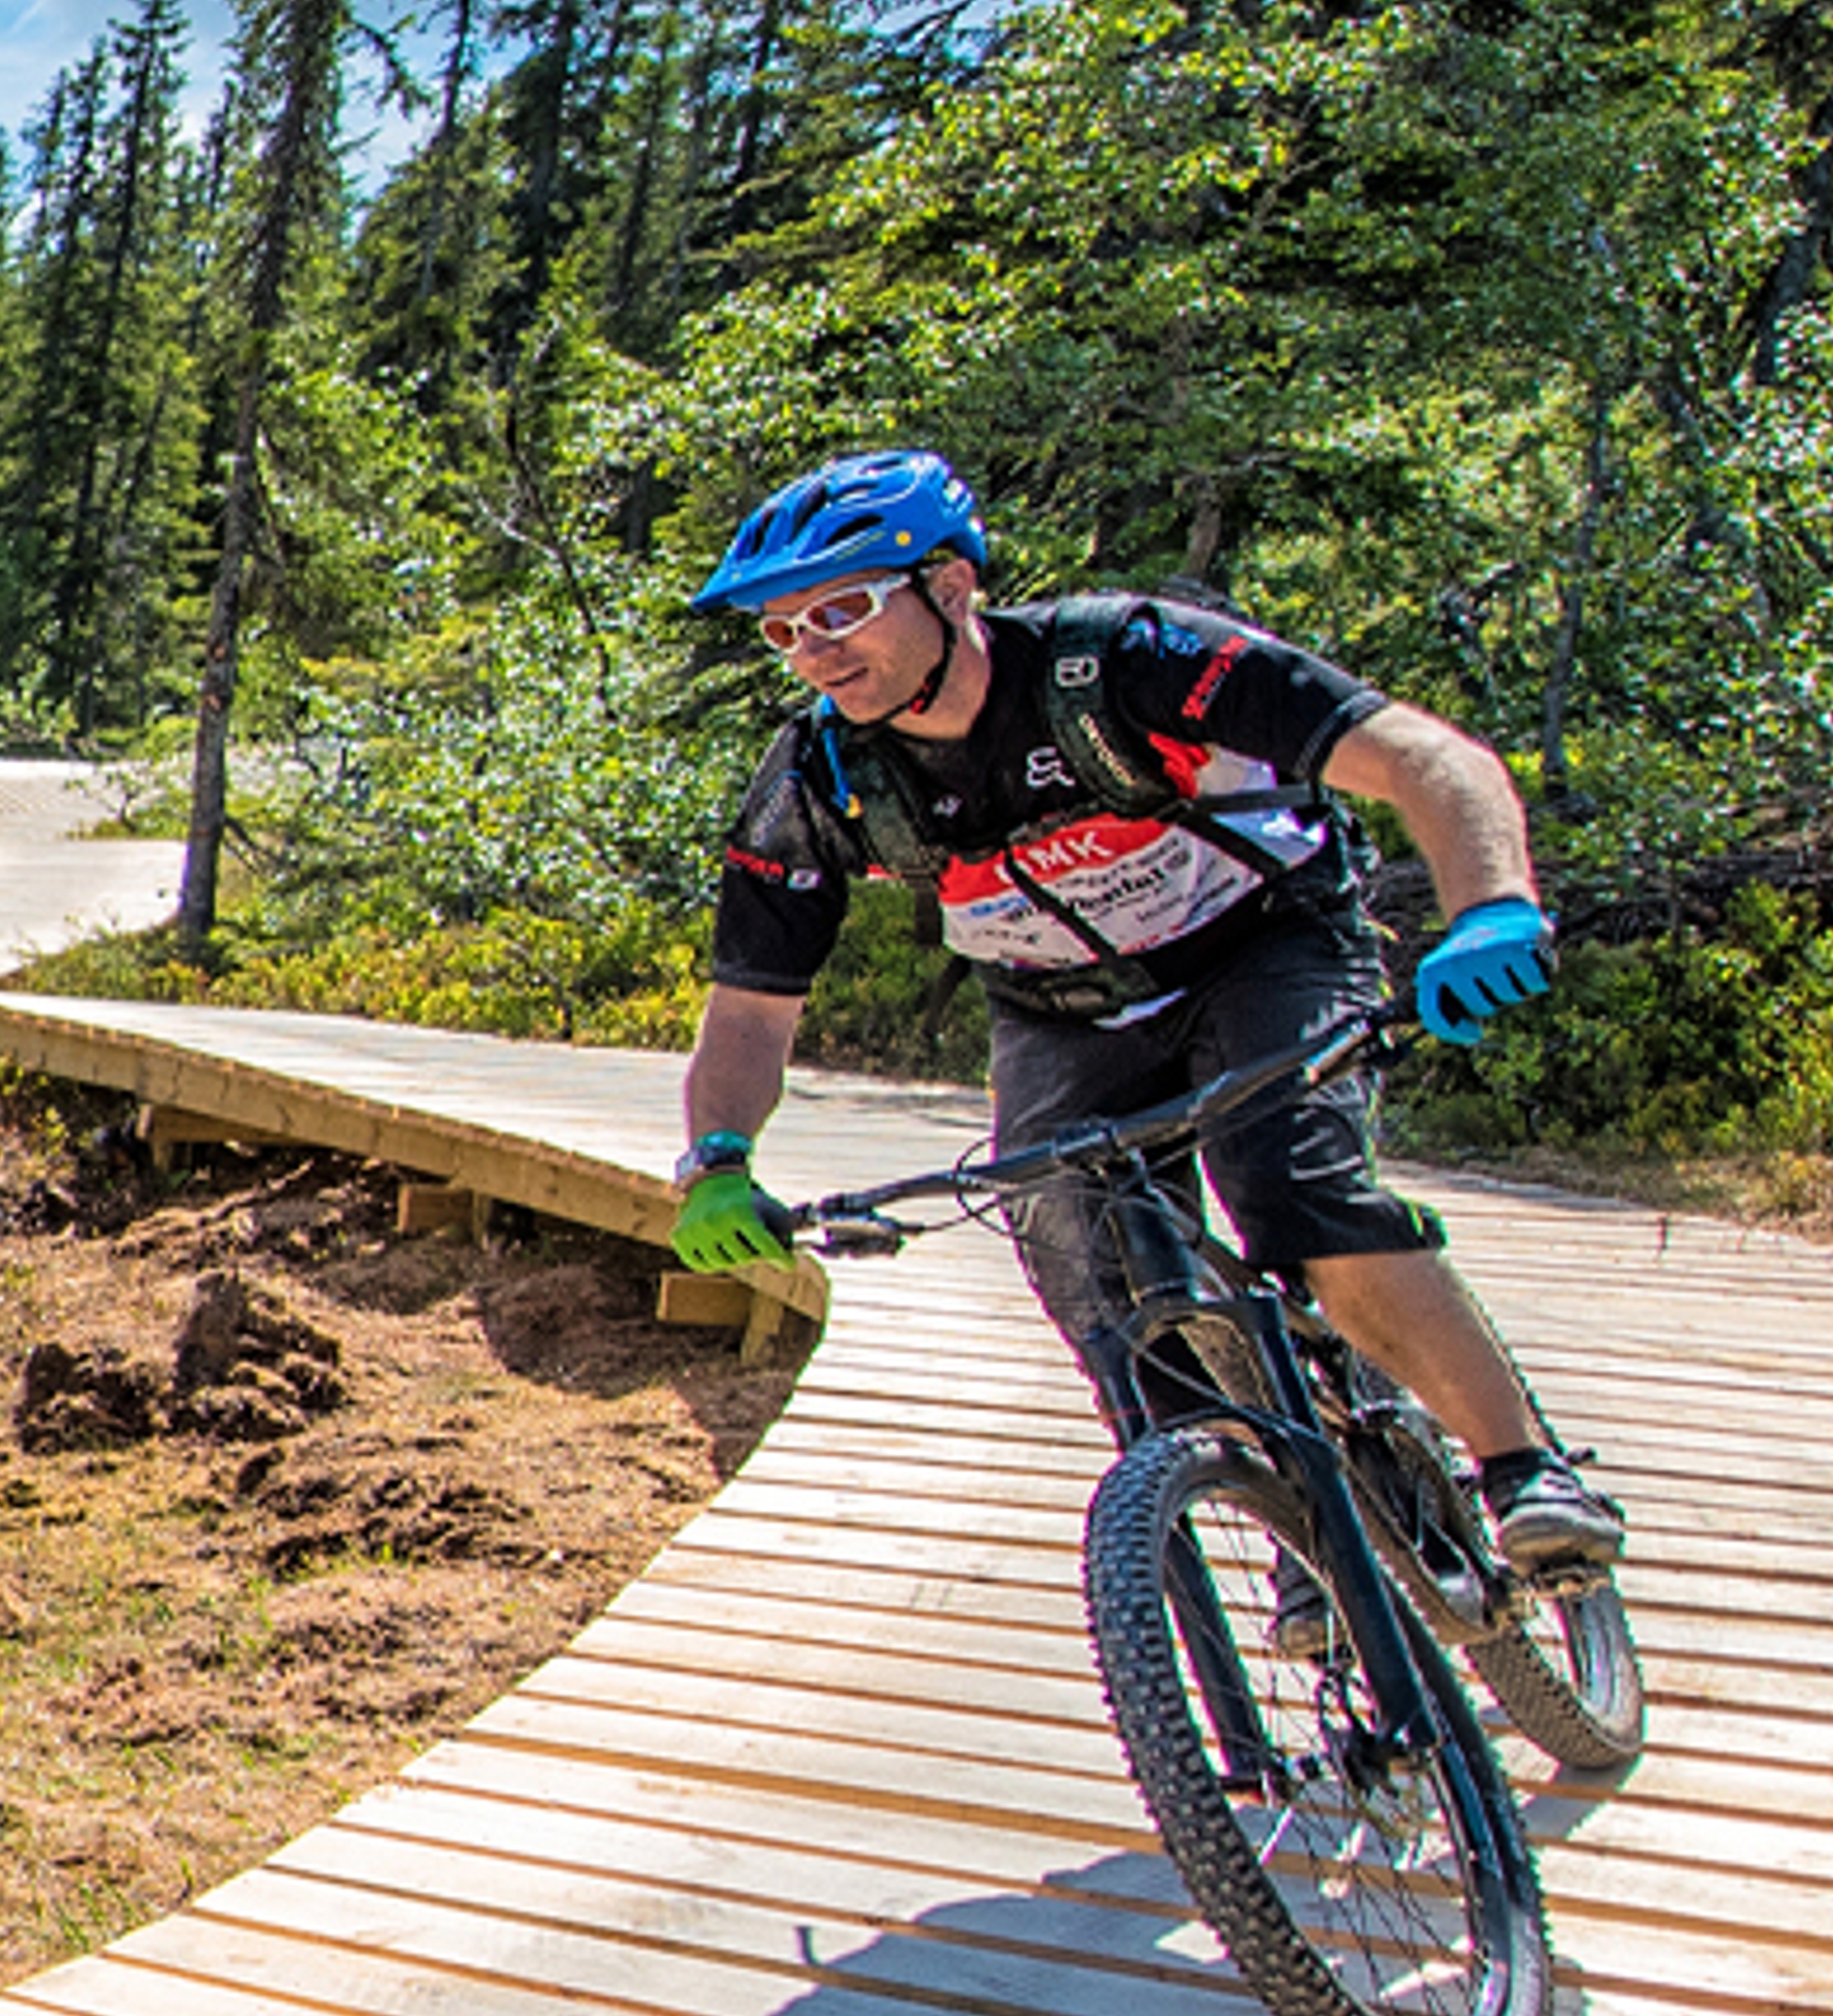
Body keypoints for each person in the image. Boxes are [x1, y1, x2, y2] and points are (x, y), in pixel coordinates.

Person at [669, 447, 1623, 1579]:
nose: (816, 651)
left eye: (842, 608)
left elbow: (1426, 758)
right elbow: (748, 1013)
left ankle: (1524, 1469)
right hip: (1061, 1012)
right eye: (784, 631)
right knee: (1087, 1269)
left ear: (952, 587)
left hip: (1263, 946)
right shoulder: (819, 781)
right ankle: (1306, 1545)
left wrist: (1491, 910)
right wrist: (718, 1156)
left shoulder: (1125, 660)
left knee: (1291, 1184)